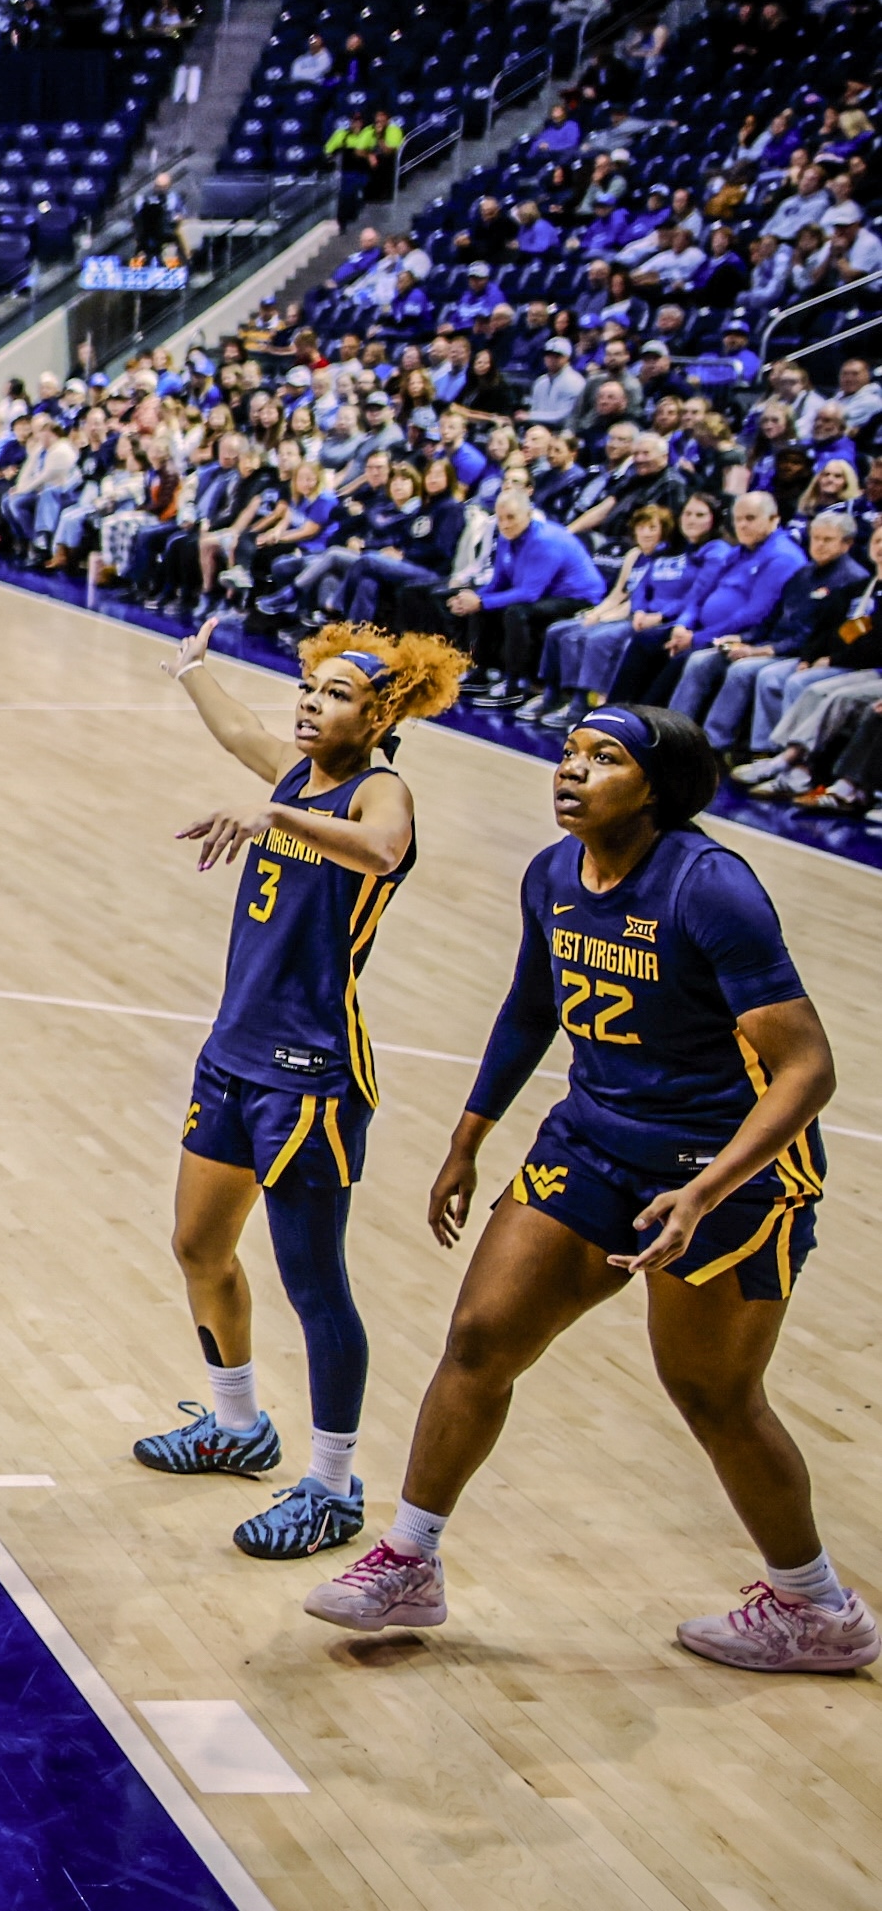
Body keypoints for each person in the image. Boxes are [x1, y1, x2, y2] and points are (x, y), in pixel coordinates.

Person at [305, 708, 867, 1672]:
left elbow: (807, 1070)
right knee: (480, 1335)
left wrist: (703, 1193)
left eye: (605, 759)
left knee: (713, 1393)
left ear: (657, 787)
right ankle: (411, 1556)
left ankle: (819, 1607)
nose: (572, 770)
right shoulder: (553, 873)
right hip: (594, 1142)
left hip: (727, 1173)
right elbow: (531, 1008)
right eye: (570, 753)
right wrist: (468, 1135)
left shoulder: (710, 887)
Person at [139, 616, 465, 1560]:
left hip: (312, 1074)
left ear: (381, 713)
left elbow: (382, 848)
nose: (311, 704)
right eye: (310, 688)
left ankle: (331, 1484)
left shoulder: (379, 790)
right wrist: (195, 672)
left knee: (314, 1282)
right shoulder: (296, 772)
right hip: (233, 1055)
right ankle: (238, 1425)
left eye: (336, 695)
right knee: (199, 1244)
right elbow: (246, 734)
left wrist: (275, 817)